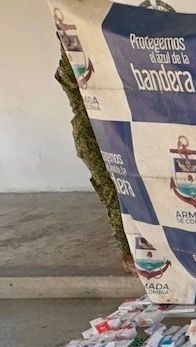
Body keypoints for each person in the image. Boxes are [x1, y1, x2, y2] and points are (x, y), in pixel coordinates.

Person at [55, 48, 134, 274]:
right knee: (115, 189)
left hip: (126, 127)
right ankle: (129, 248)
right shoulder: (79, 55)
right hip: (96, 132)